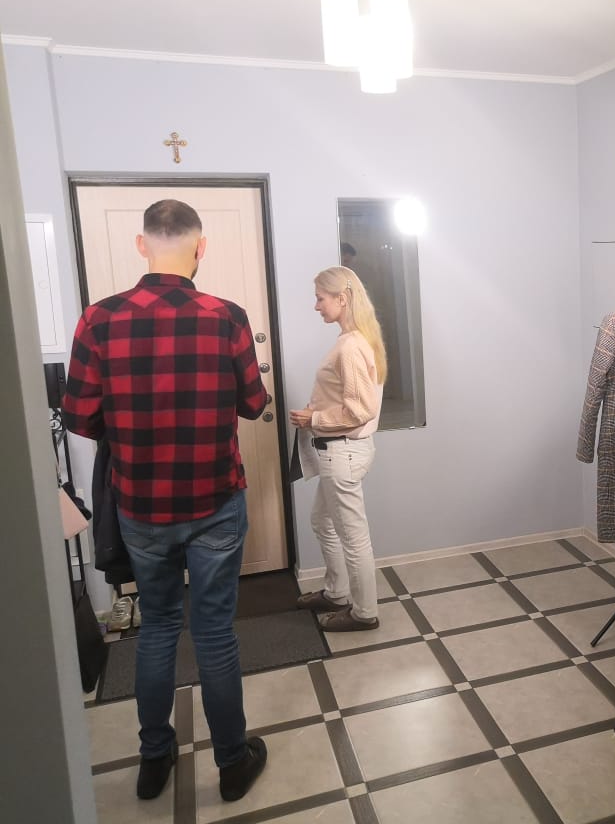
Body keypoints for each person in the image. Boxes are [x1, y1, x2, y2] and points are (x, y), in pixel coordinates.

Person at [62, 199, 268, 801]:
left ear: (141, 245)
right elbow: (254, 404)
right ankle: (231, 765)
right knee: (214, 634)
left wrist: (131, 429)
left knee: (156, 628)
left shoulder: (98, 319)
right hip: (215, 502)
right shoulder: (226, 316)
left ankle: (154, 760)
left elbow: (78, 417)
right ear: (201, 248)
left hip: (141, 506)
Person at [290, 266, 386, 632]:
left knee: (353, 536)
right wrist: (317, 415)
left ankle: (364, 613)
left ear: (341, 299)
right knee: (322, 521)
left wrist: (314, 418)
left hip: (342, 453)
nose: (316, 306)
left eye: (320, 298)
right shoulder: (354, 339)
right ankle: (336, 592)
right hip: (342, 451)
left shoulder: (350, 346)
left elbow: (361, 410)